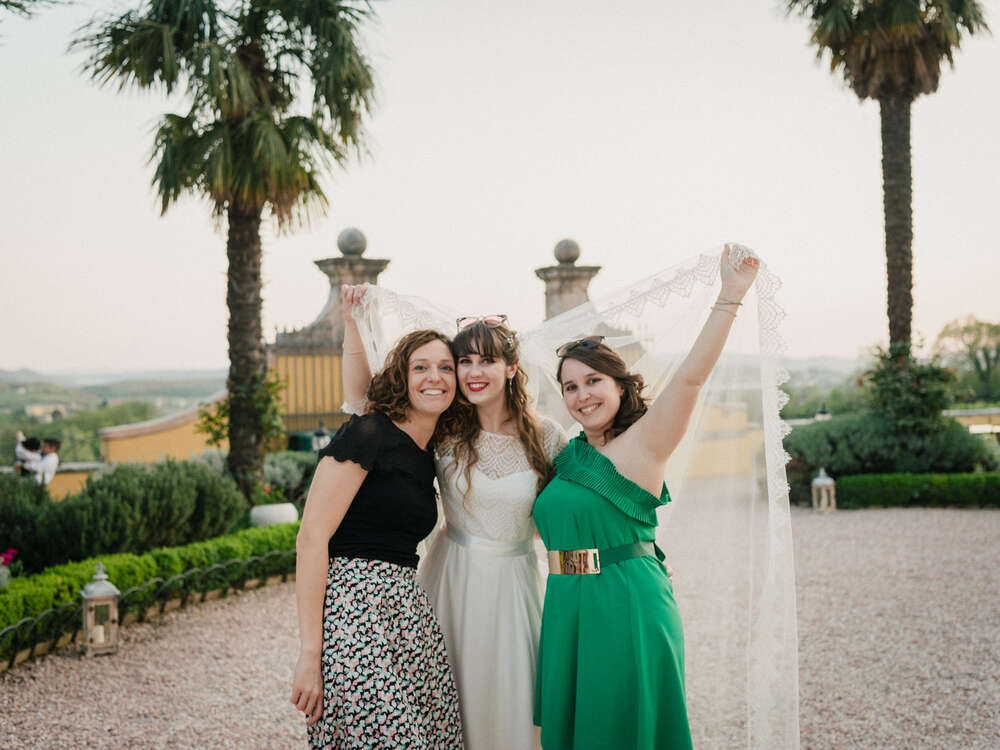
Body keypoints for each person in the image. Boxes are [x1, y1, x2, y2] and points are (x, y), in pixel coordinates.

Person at [531, 246, 759, 749]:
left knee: (622, 729)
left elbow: (692, 377)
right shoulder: (566, 454)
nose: (582, 395)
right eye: (570, 387)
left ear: (619, 384)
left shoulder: (646, 443)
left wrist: (730, 295)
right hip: (567, 600)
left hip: (623, 604)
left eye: (593, 381)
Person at [340, 294, 566, 750]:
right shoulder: (444, 426)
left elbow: (576, 508)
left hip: (517, 586)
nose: (474, 372)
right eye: (464, 360)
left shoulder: (547, 436)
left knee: (515, 701)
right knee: (446, 703)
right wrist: (352, 324)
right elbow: (362, 403)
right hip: (451, 578)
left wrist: (644, 553)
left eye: (488, 360)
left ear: (511, 366)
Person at [290, 329, 464, 749]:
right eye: (419, 367)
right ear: (401, 377)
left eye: (445, 367)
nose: (434, 377)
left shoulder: (431, 450)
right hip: (353, 613)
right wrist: (310, 655)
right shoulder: (369, 432)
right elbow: (311, 538)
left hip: (408, 615)